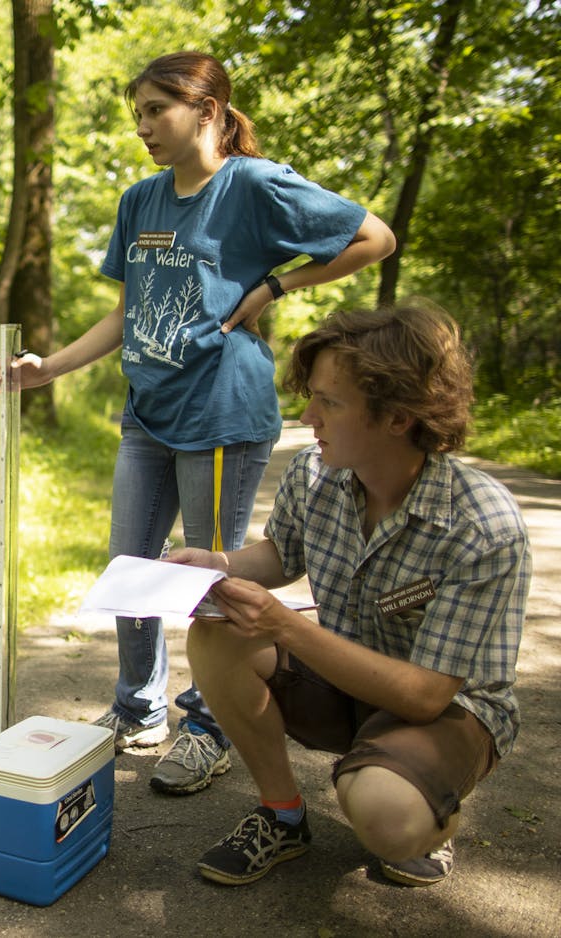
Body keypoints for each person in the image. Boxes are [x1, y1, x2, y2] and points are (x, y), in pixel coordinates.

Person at [0, 51, 396, 795]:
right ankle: (137, 709)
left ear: (208, 111)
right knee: (133, 572)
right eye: (138, 114)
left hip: (220, 414)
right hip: (146, 413)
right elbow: (127, 312)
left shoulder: (251, 185)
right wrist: (47, 368)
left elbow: (375, 237)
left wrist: (278, 283)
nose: (144, 127)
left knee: (207, 580)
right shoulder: (140, 201)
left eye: (157, 110)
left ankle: (209, 726)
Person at [173, 305, 530, 887]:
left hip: (446, 711)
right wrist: (214, 563)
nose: (308, 417)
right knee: (216, 630)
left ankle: (425, 803)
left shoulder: (482, 526)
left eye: (329, 403)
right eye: (312, 397)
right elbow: (282, 555)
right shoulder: (316, 473)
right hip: (342, 672)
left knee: (385, 814)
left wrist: (285, 628)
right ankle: (282, 816)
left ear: (397, 416)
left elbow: (422, 696)